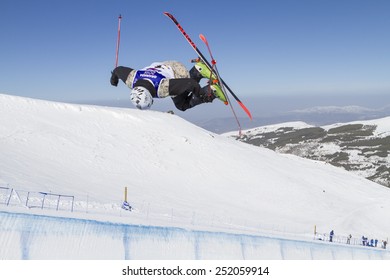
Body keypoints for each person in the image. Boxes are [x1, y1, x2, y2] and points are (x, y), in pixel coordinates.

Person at [110, 60, 227, 111]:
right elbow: (118, 70)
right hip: (163, 65)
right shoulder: (131, 79)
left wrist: (202, 94)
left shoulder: (161, 89)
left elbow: (190, 84)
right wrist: (114, 79)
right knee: (179, 91)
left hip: (177, 70)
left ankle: (207, 85)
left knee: (182, 105)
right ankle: (198, 71)